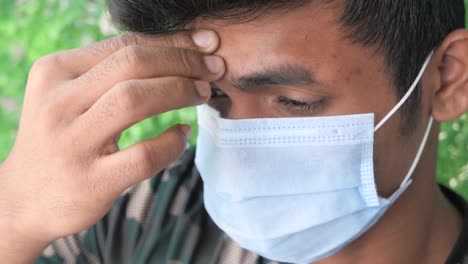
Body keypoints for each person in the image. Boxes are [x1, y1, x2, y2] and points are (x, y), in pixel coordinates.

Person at [0, 0, 467, 263]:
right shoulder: (144, 215)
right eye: (214, 96)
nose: (241, 155)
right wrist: (14, 217)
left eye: (293, 102)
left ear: (446, 77)